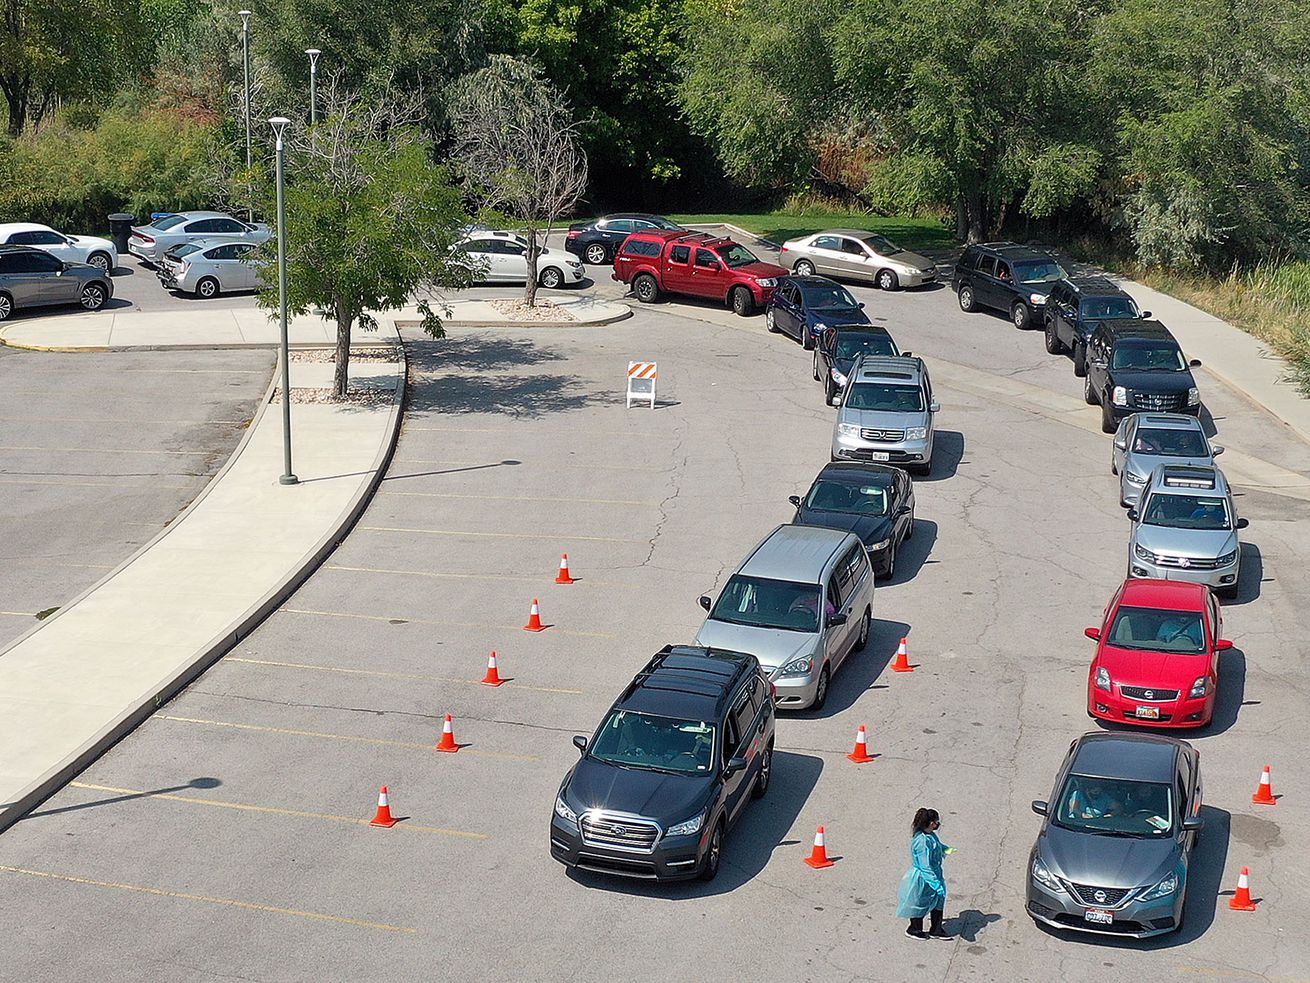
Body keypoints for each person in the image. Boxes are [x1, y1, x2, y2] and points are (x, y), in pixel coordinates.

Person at [896, 808, 952, 940]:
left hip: (934, 874)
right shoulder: (922, 841)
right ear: (931, 823)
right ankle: (914, 929)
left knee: (938, 900)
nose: (938, 824)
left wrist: (946, 849)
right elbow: (925, 865)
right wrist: (935, 883)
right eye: (936, 821)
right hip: (923, 877)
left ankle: (936, 929)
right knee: (920, 901)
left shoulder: (930, 835)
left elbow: (937, 845)